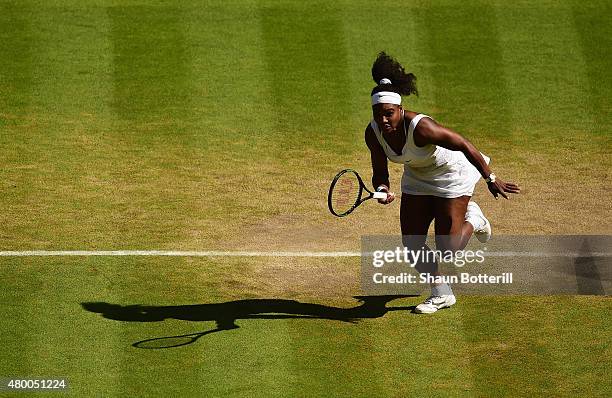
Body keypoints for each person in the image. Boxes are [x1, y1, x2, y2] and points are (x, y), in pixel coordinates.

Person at [365, 52, 520, 314]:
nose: (384, 120)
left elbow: (462, 143)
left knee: (447, 249)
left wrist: (490, 177)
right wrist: (382, 189)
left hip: (451, 173)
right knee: (412, 243)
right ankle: (441, 293)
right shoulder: (374, 133)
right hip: (417, 177)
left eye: (389, 114)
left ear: (400, 109)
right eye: (378, 114)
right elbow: (380, 171)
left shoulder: (422, 127)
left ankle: (475, 219)